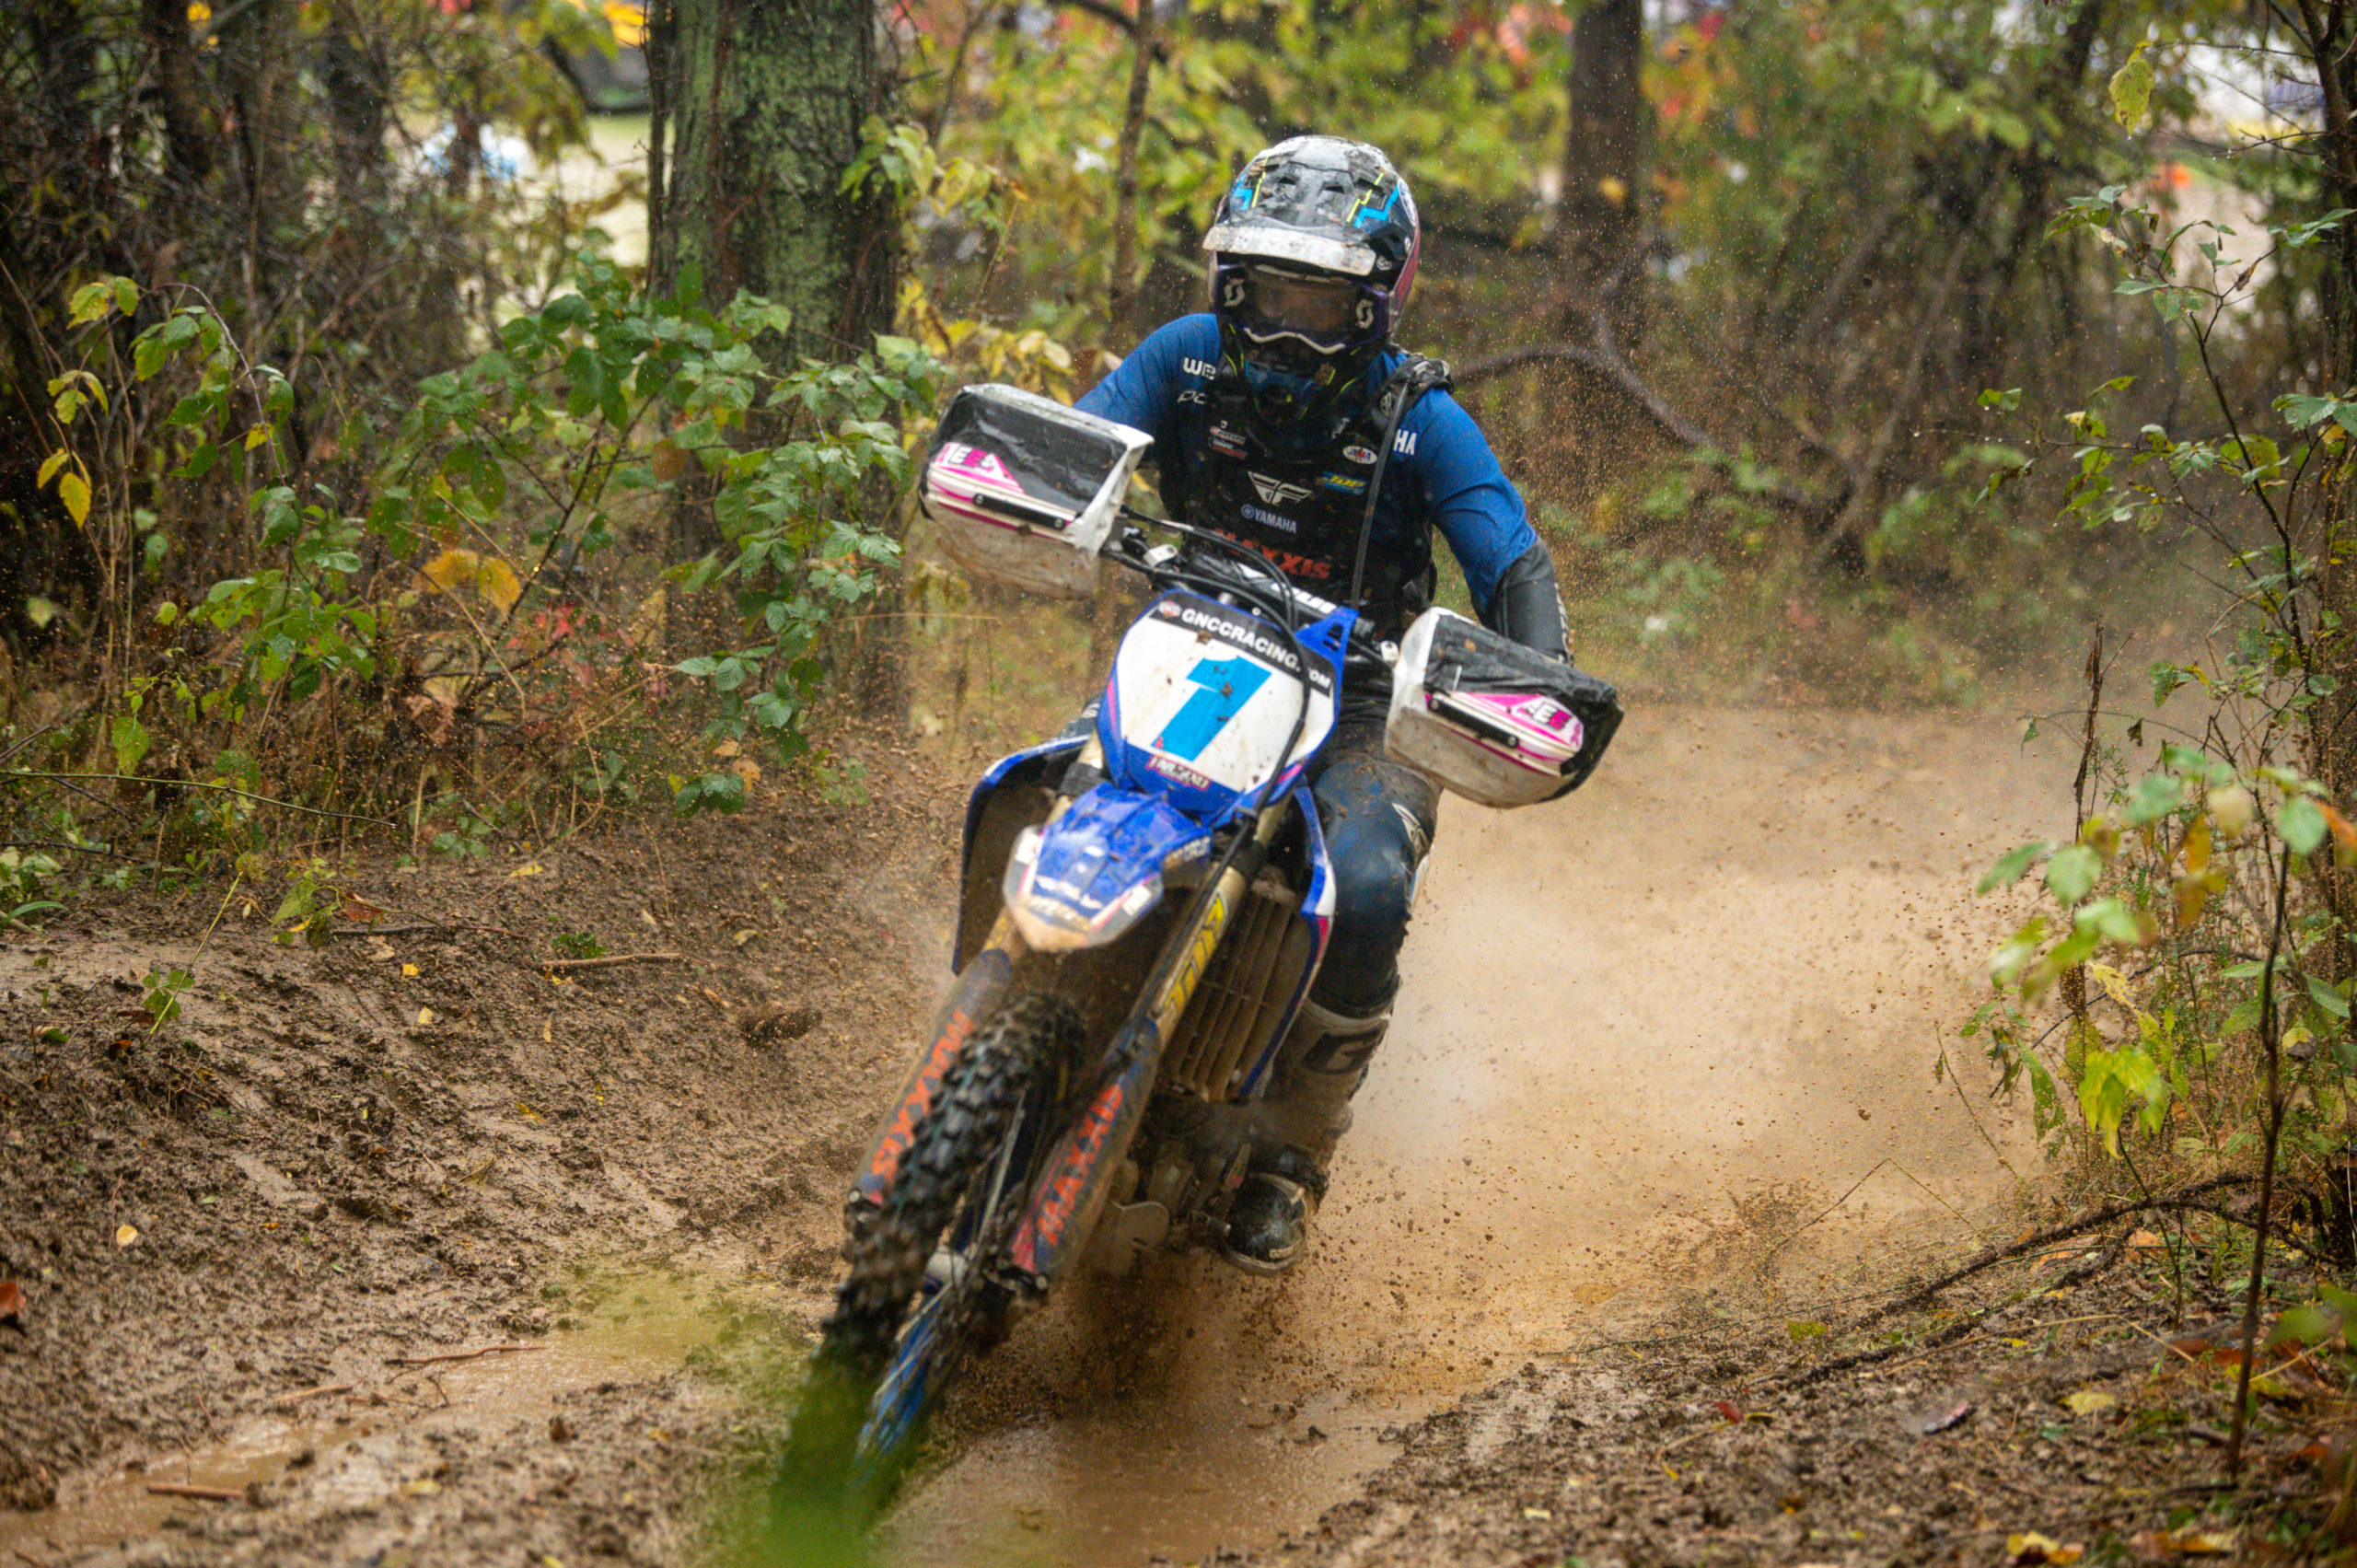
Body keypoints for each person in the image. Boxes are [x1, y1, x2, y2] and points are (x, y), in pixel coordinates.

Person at [1073, 134, 1572, 1273]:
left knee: (1370, 880)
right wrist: (1035, 474)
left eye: (1322, 298)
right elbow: (1087, 436)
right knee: (1069, 776)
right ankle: (1026, 1005)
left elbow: (1510, 561)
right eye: (1272, 290)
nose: (1290, 327)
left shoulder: (1419, 417)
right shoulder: (1186, 355)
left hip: (1359, 707)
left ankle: (1291, 1159)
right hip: (1192, 650)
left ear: (1376, 303)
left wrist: (1539, 675)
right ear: (1230, 283)